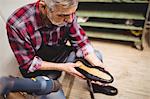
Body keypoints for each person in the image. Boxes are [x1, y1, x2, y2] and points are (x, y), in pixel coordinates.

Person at [2, 0, 117, 98]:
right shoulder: (18, 24)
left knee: (96, 56)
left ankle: (95, 85)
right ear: (43, 6)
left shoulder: (67, 11)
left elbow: (81, 41)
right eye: (62, 15)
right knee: (55, 96)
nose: (70, 20)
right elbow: (29, 63)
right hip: (38, 66)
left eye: (73, 13)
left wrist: (96, 64)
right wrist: (64, 68)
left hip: (60, 53)